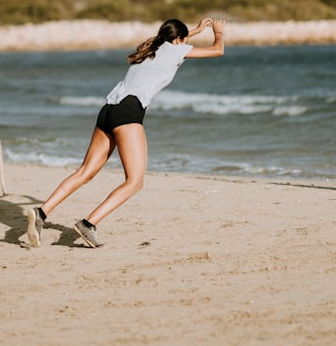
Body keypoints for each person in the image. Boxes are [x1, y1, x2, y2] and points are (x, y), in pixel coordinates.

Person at [26, 17, 226, 248]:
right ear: (179, 40)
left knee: (85, 172)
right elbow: (217, 50)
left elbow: (172, 41)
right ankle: (88, 225)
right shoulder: (175, 51)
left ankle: (41, 212)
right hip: (128, 113)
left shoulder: (151, 49)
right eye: (184, 39)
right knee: (134, 181)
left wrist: (196, 30)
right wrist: (218, 32)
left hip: (108, 110)